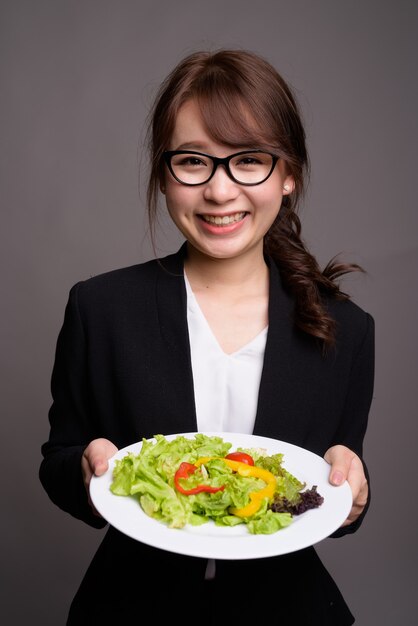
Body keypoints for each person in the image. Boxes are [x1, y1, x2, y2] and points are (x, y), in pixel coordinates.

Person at [39, 49, 374, 625]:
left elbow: (332, 487)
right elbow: (58, 458)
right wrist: (87, 469)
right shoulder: (101, 309)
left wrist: (353, 493)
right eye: (193, 162)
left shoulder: (347, 329)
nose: (220, 192)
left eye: (250, 161)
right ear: (164, 174)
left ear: (288, 174)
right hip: (129, 609)